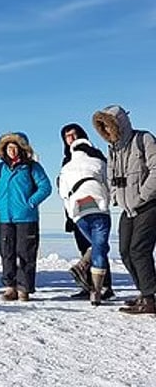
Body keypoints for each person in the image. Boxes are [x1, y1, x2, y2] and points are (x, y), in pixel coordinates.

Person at [92, 105, 156, 314]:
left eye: (109, 126)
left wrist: (142, 196)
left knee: (139, 250)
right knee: (125, 252)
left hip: (149, 205)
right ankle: (145, 293)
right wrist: (116, 196)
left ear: (119, 124)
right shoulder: (113, 149)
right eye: (103, 128)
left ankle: (149, 299)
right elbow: (111, 176)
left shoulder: (143, 139)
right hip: (128, 209)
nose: (107, 131)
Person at [0, 132, 52, 301]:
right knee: (6, 253)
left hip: (27, 218)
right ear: (4, 149)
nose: (12, 151)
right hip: (5, 218)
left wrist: (31, 202)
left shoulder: (31, 167)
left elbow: (45, 187)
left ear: (22, 149)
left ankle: (24, 288)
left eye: (15, 147)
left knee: (26, 254)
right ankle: (10, 287)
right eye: (9, 147)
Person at [59, 124, 114, 301]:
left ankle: (105, 286)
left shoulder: (94, 154)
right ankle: (88, 286)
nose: (71, 138)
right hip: (76, 210)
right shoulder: (66, 161)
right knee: (89, 247)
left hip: (90, 206)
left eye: (74, 134)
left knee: (98, 246)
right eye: (67, 136)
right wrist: (69, 216)